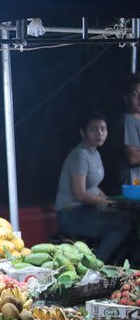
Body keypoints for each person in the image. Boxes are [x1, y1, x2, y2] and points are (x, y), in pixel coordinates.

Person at [55, 112, 133, 263]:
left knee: (128, 219)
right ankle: (95, 264)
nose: (100, 133)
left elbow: (94, 187)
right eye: (94, 129)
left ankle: (116, 264)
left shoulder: (94, 153)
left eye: (103, 129)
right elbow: (80, 194)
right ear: (82, 132)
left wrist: (111, 200)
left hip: (84, 210)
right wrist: (106, 203)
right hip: (70, 214)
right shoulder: (79, 155)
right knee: (122, 226)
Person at [122, 74, 140, 185]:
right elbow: (133, 158)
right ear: (125, 97)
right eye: (135, 95)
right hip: (133, 181)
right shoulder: (128, 119)